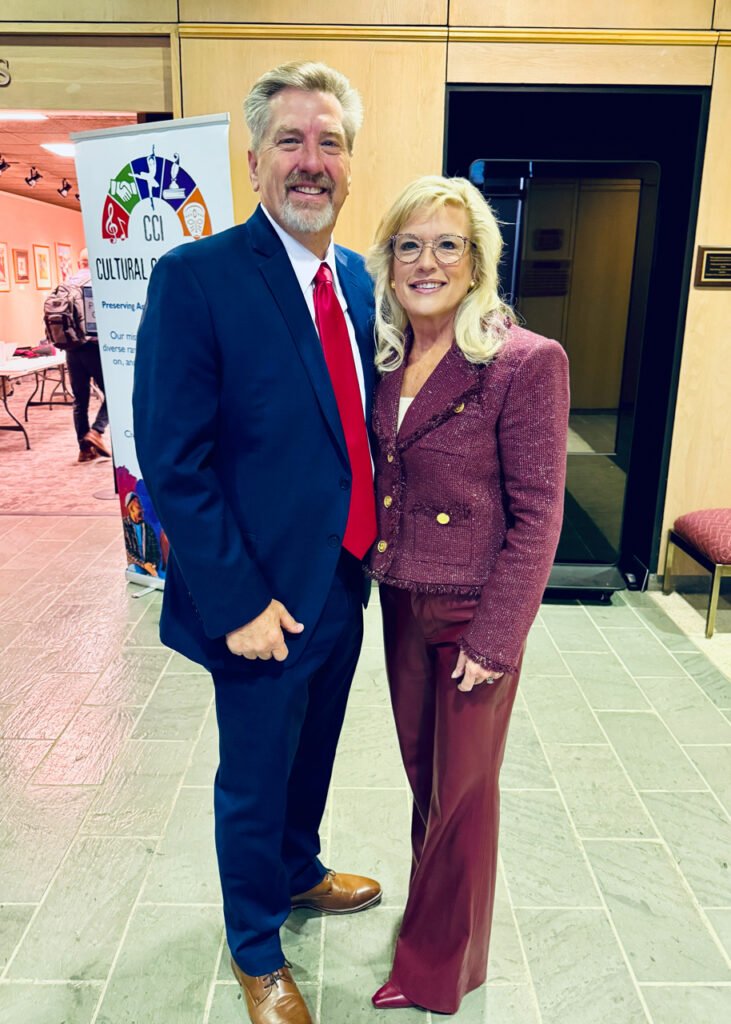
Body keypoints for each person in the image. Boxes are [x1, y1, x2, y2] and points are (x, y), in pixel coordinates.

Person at [133, 61, 380, 1024]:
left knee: (313, 750)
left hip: (342, 576)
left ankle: (297, 867)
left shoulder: (354, 278)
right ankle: (254, 948)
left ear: (349, 165)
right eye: (290, 140)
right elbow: (173, 461)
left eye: (329, 142)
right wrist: (235, 604)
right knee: (252, 777)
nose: (310, 161)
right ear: (253, 162)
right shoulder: (196, 278)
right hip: (258, 600)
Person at [365, 175, 570, 1014]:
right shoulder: (386, 356)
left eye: (447, 244)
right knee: (428, 779)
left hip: (471, 612)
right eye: (409, 245)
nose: (427, 262)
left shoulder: (523, 360)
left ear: (478, 260)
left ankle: (438, 972)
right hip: (400, 596)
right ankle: (434, 919)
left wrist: (495, 639)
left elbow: (540, 513)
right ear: (388, 263)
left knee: (464, 794)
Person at [65, 248, 111, 463]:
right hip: (93, 347)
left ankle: (84, 450)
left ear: (79, 262)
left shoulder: (66, 283)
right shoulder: (96, 283)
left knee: (80, 400)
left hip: (72, 349)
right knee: (113, 394)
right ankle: (96, 431)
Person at [122, 491, 161, 577]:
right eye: (138, 508)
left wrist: (153, 564)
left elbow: (156, 552)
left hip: (150, 567)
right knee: (134, 569)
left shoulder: (148, 527)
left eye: (142, 508)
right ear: (131, 509)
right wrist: (143, 564)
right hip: (136, 565)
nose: (142, 511)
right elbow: (128, 552)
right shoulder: (125, 525)